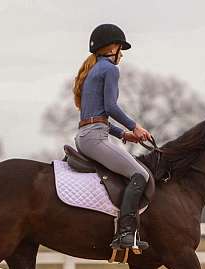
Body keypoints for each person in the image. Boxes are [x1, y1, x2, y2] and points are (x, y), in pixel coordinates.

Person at [73, 23, 153, 251]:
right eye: (121, 47)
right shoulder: (109, 69)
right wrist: (135, 126)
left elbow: (96, 115)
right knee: (140, 174)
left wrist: (124, 134)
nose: (122, 54)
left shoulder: (92, 70)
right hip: (95, 138)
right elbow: (110, 107)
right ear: (112, 48)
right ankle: (126, 233)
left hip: (87, 134)